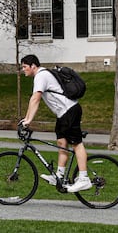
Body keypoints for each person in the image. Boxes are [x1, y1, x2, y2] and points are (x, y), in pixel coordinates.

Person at [20, 54, 93, 193]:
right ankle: (59, 176)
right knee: (62, 143)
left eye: (24, 67)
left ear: (33, 66)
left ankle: (84, 178)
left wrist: (28, 120)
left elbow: (36, 98)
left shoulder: (41, 76)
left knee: (76, 144)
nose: (23, 69)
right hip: (63, 115)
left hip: (70, 111)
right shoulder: (41, 76)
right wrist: (26, 119)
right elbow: (33, 99)